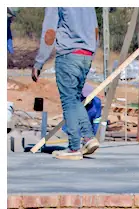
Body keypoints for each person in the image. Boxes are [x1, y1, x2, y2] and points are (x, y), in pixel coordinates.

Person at [32, 7, 100, 160]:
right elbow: (96, 30)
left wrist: (39, 62)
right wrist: (91, 52)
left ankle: (74, 147)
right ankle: (88, 138)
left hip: (69, 55)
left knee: (69, 100)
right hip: (86, 55)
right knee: (75, 99)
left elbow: (49, 32)